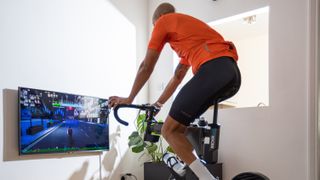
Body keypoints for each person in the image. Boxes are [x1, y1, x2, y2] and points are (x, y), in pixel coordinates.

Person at [108, 2, 241, 180]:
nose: (157, 30)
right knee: (180, 128)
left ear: (158, 20)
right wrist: (158, 104)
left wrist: (129, 98)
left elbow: (146, 66)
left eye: (155, 27)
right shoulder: (188, 35)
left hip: (213, 69)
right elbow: (177, 76)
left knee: (168, 131)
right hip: (230, 74)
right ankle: (186, 165)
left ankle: (207, 178)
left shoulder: (164, 22)